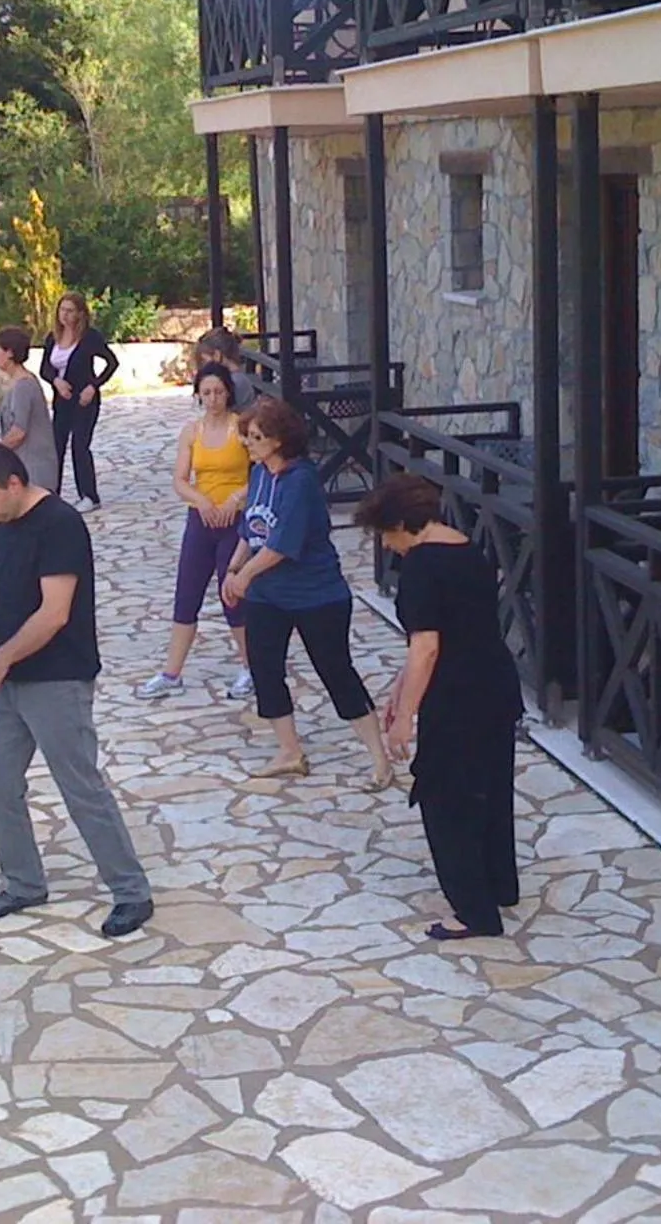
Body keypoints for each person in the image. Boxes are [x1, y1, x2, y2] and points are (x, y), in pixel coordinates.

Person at [0, 439, 154, 939]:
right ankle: (23, 882)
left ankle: (131, 891)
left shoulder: (60, 524)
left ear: (15, 483)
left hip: (57, 679)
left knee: (80, 786)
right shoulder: (2, 526)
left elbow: (54, 612)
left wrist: (2, 658)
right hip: (9, 681)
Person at [356, 473, 523, 941]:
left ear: (401, 524)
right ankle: (499, 884)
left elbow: (426, 647)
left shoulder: (423, 567)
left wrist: (404, 717)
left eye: (386, 535)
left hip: (457, 696)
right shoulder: (467, 549)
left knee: (446, 798)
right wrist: (398, 688)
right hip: (495, 684)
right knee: (491, 788)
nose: (387, 546)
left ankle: (473, 911)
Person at [220, 397, 393, 788]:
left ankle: (379, 759)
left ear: (279, 441)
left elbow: (282, 544)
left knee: (336, 672)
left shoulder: (301, 480)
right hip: (269, 596)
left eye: (256, 437)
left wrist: (244, 577)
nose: (248, 443)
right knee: (265, 669)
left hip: (317, 594)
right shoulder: (260, 473)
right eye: (247, 436)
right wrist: (234, 568)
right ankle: (290, 751)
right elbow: (252, 530)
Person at [136, 362, 254, 703]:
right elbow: (179, 479)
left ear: (228, 392)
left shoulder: (241, 427)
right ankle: (171, 672)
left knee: (231, 594)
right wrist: (200, 501)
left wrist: (236, 498)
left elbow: (259, 469)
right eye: (206, 393)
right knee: (187, 594)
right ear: (198, 395)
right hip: (201, 521)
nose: (213, 398)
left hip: (234, 519)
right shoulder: (192, 431)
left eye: (218, 392)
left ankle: (251, 667)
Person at [43, 292, 117, 513]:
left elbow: (111, 363)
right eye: (62, 310)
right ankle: (51, 493)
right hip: (62, 400)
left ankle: (89, 495)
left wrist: (93, 386)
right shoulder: (52, 337)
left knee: (80, 445)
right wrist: (56, 381)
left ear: (80, 313)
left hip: (85, 401)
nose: (65, 315)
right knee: (56, 445)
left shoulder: (90, 337)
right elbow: (45, 368)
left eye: (70, 311)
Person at [0, 325, 59, 496]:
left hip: (34, 469)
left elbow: (19, 432)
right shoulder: (17, 382)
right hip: (23, 466)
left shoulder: (24, 385)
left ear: (10, 353)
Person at [195, 326, 257, 410]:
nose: (203, 367)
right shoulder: (237, 378)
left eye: (204, 361)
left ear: (217, 355)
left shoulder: (235, 382)